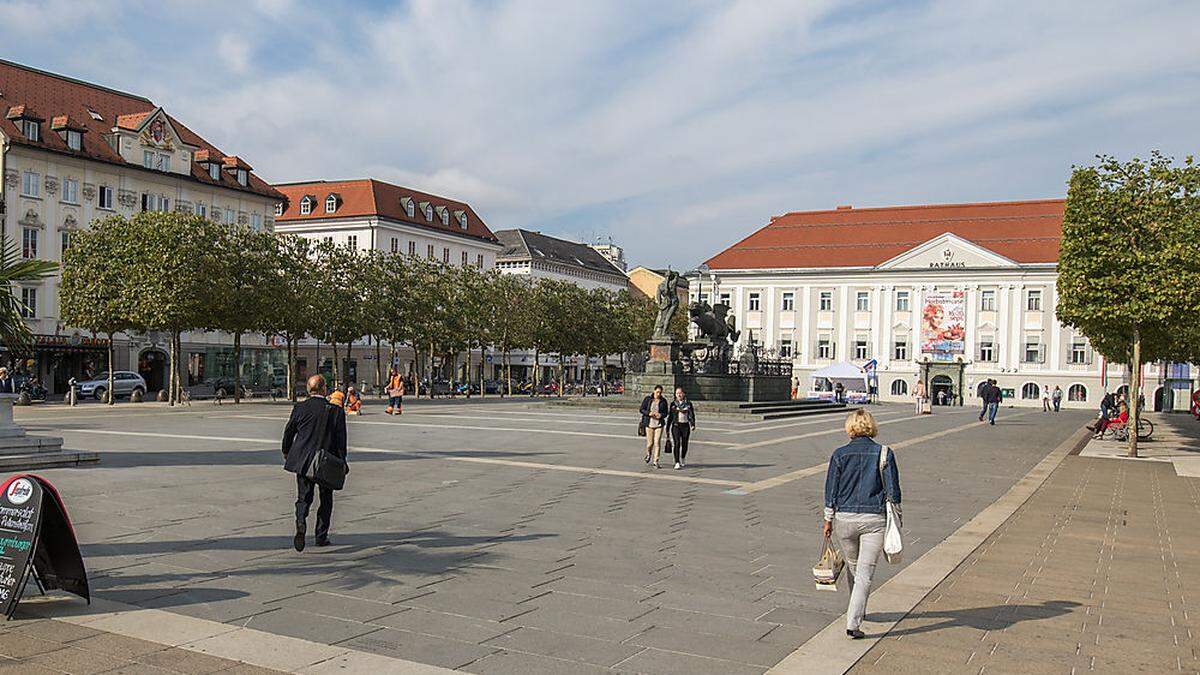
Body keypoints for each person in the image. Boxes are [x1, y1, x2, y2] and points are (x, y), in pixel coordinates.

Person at [822, 409, 901, 640]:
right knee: (864, 573)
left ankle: (857, 609)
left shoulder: (839, 454)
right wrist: (897, 518)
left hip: (844, 520)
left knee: (855, 567)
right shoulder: (884, 453)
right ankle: (853, 622)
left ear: (850, 428)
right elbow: (893, 491)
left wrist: (827, 519)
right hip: (873, 520)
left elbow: (831, 491)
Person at [282, 374, 348, 551]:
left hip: (303, 460)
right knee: (326, 499)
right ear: (324, 389)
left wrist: (286, 451)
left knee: (303, 497)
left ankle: (301, 520)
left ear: (309, 390)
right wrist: (342, 462)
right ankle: (321, 535)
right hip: (326, 461)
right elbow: (341, 441)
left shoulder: (300, 408)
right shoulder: (335, 411)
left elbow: (289, 432)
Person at [639, 385, 668, 469]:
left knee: (657, 442)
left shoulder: (663, 401)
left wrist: (661, 415)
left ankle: (656, 461)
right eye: (657, 392)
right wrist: (649, 413)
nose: (658, 394)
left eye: (660, 392)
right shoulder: (648, 399)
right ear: (654, 391)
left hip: (659, 424)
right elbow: (641, 409)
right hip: (649, 423)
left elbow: (666, 412)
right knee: (650, 443)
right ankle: (648, 454)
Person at [668, 387, 697, 470]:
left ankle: (683, 457)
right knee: (677, 443)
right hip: (676, 425)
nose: (679, 395)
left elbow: (691, 414)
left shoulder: (688, 403)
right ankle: (677, 462)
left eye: (680, 393)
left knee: (684, 444)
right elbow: (670, 416)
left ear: (683, 394)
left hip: (685, 426)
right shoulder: (673, 404)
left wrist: (692, 424)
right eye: (677, 393)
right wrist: (667, 428)